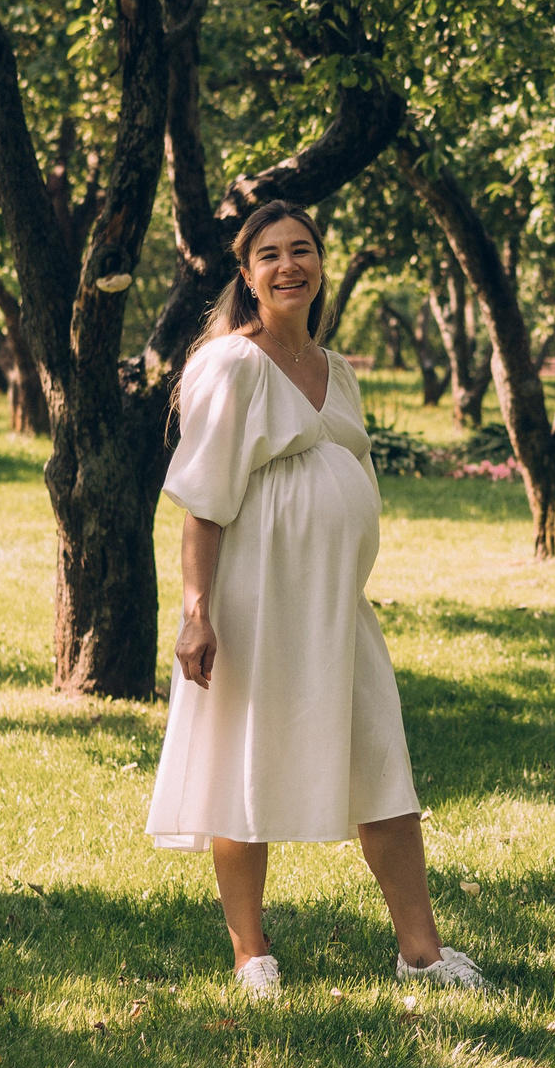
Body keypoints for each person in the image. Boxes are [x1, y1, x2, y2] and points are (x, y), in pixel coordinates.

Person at [148, 201, 488, 998]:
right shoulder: (233, 364)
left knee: (379, 761)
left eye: (302, 251)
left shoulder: (339, 370)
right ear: (247, 274)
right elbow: (203, 502)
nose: (288, 266)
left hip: (336, 605)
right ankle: (249, 952)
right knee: (241, 763)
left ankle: (421, 950)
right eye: (269, 255)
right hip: (256, 600)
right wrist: (196, 612)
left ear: (322, 263)